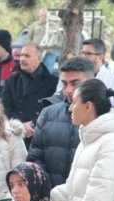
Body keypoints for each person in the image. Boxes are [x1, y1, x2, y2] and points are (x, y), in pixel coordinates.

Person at [27, 57, 95, 187]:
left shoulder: (102, 118)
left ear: (91, 82)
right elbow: (35, 159)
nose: (68, 90)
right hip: (51, 198)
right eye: (64, 83)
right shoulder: (47, 114)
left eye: (75, 83)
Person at [1, 42, 59, 146]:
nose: (22, 59)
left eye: (27, 56)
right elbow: (6, 109)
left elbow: (53, 110)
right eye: (21, 55)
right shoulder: (10, 82)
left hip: (42, 137)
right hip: (17, 136)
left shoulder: (53, 83)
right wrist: (21, 126)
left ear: (39, 58)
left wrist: (33, 124)